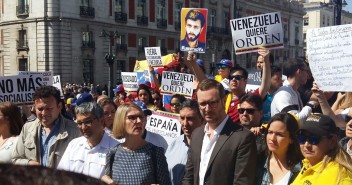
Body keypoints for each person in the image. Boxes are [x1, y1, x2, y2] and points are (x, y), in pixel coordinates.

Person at [183, 79, 257, 185]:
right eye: (203, 104)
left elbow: (242, 182)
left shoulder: (243, 138)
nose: (207, 109)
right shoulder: (196, 134)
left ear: (224, 101)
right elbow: (189, 176)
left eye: (212, 103)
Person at [101, 103, 171, 185]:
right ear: (121, 121)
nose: (139, 121)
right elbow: (107, 179)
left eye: (141, 117)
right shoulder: (112, 153)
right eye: (132, 117)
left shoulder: (155, 152)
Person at [12, 86, 81, 168]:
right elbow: (16, 159)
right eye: (40, 109)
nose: (44, 113)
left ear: (59, 107)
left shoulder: (75, 131)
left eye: (49, 109)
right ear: (34, 108)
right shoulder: (27, 128)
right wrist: (29, 163)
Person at [57, 102, 119, 179]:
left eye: (88, 122)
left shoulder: (116, 149)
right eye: (79, 123)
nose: (83, 127)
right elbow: (60, 176)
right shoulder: (74, 145)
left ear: (101, 121)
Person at [292, 114, 352, 185]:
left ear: (332, 141)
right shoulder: (308, 164)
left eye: (314, 138)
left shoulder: (340, 176)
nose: (306, 145)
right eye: (301, 138)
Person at [225, 48, 271, 123]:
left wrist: (266, 59)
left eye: (237, 77)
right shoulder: (223, 99)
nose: (233, 79)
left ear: (245, 81)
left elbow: (265, 86)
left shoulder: (250, 98)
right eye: (231, 77)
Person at [256, 112, 303, 185]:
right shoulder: (258, 160)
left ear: (291, 138)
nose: (272, 138)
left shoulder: (301, 168)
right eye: (270, 132)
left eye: (279, 134)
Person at [165, 99, 204, 185]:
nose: (185, 123)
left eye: (190, 118)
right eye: (182, 118)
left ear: (201, 119)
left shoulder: (209, 146)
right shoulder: (174, 144)